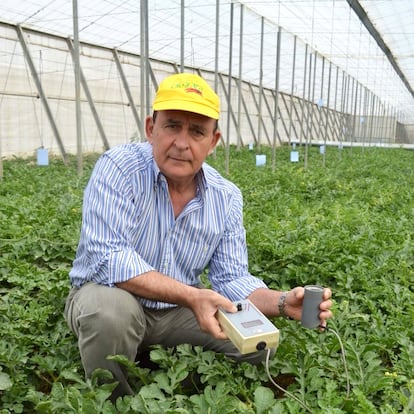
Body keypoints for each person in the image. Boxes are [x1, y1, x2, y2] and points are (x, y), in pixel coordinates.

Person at [64, 72, 333, 399]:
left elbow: (232, 278)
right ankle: (118, 402)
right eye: (172, 125)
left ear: (213, 141)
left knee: (257, 345)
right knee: (109, 314)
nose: (181, 143)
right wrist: (192, 296)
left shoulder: (226, 197)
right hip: (112, 294)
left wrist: (281, 301)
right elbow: (109, 259)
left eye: (196, 131)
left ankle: (181, 394)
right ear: (152, 128)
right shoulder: (119, 169)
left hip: (176, 311)